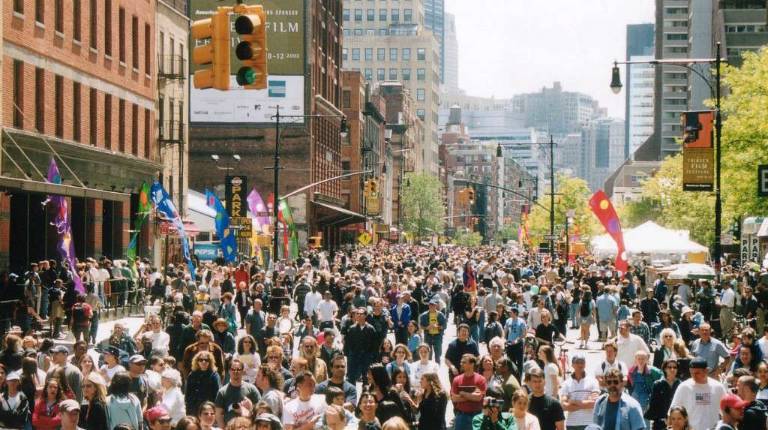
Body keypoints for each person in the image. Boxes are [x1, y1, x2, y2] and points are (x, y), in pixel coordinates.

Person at [669, 357, 727, 430]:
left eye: (697, 373)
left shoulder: (718, 387)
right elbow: (672, 413)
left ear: (706, 371)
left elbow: (726, 412)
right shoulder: (684, 387)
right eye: (691, 373)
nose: (694, 376)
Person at [214, 359, 261, 428]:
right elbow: (218, 415)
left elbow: (259, 409)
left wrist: (250, 408)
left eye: (238, 370)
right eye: (233, 369)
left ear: (242, 371)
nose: (236, 372)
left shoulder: (251, 389)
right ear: (229, 371)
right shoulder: (222, 392)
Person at [559, 353, 599, 430]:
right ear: (572, 365)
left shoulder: (593, 381)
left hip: (589, 423)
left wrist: (573, 401)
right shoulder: (566, 383)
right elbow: (563, 406)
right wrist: (585, 403)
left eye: (582, 362)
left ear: (585, 364)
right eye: (577, 362)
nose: (580, 365)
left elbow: (593, 403)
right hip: (572, 424)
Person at [450, 353, 487, 430]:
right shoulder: (457, 380)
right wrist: (471, 396)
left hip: (477, 415)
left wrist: (463, 394)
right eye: (461, 362)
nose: (461, 364)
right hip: (461, 416)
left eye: (464, 362)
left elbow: (479, 398)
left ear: (472, 364)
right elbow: (454, 399)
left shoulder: (481, 379)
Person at [626, 350, 662, 423]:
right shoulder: (631, 370)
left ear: (646, 360)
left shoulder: (652, 370)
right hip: (634, 395)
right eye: (639, 358)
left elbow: (662, 376)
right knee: (634, 413)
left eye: (643, 358)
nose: (640, 361)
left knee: (645, 415)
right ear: (635, 360)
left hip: (646, 395)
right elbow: (629, 383)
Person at [344, 307, 377, 384]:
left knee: (366, 379)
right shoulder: (352, 329)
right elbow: (348, 344)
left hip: (366, 357)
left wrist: (371, 356)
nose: (358, 315)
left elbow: (374, 344)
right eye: (357, 314)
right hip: (354, 357)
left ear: (365, 315)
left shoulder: (370, 329)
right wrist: (349, 356)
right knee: (352, 378)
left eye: (361, 314)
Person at [644, 359, 680, 430]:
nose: (672, 369)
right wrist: (663, 419)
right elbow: (653, 404)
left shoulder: (681, 384)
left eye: (675, 367)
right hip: (660, 422)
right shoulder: (658, 384)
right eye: (669, 367)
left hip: (677, 422)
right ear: (665, 369)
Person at [419, 298, 447, 363]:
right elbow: (421, 326)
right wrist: (427, 328)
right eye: (430, 305)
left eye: (433, 305)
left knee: (438, 355)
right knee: (428, 354)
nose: (432, 306)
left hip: (438, 336)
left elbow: (444, 326)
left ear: (436, 306)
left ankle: (437, 369)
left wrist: (438, 327)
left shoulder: (440, 315)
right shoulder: (424, 315)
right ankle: (429, 370)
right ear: (428, 306)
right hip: (428, 336)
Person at [504, 306, 527, 380]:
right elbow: (505, 330)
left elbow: (524, 333)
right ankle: (512, 377)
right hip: (510, 344)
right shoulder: (508, 321)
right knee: (510, 362)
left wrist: (518, 339)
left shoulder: (521, 321)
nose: (509, 313)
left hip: (518, 344)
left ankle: (519, 377)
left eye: (511, 312)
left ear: (515, 313)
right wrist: (505, 339)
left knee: (519, 362)